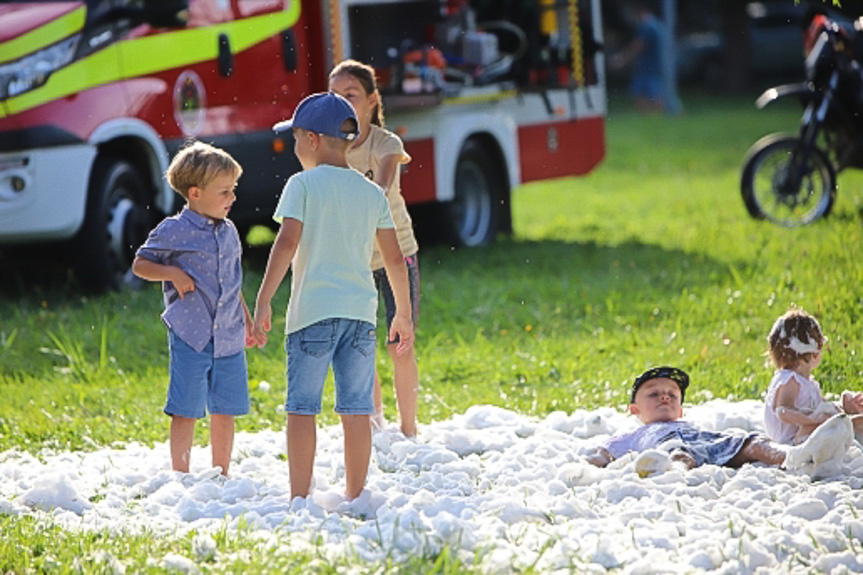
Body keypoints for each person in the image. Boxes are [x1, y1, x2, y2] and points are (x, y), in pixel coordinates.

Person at [252, 92, 415, 501]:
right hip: (361, 316)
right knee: (357, 409)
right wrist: (403, 315)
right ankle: (356, 494)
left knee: (302, 409)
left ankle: (299, 497)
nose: (293, 148)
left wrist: (263, 300)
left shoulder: (301, 185)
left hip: (311, 315)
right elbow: (395, 260)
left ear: (311, 139)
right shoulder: (370, 192)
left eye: (294, 139)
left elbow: (286, 244)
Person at [132, 141, 253, 477]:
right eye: (225, 191)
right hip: (192, 334)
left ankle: (221, 472)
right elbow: (141, 263)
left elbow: (232, 281)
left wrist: (247, 321)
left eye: (233, 190)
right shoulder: (174, 230)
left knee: (225, 408)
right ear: (196, 193)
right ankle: (180, 474)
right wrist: (171, 272)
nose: (232, 198)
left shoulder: (229, 231)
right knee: (186, 408)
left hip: (228, 335)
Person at [328, 59, 421, 437]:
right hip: (354, 259)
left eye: (350, 95)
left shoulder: (386, 144)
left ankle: (410, 428)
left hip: (397, 253)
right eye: (334, 97)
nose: (343, 103)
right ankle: (375, 421)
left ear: (371, 100)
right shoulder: (329, 147)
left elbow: (380, 190)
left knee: (400, 343)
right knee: (359, 344)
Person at [586, 366, 787, 469]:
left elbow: (708, 437)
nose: (664, 396)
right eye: (654, 394)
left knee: (752, 442)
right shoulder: (635, 435)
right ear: (634, 410)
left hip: (706, 442)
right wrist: (592, 463)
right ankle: (677, 471)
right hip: (669, 447)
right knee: (676, 453)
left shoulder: (689, 425)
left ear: (680, 411)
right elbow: (604, 453)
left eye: (672, 395)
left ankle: (793, 457)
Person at [763, 309, 863, 445]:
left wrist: (843, 407)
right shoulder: (790, 380)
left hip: (802, 435)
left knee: (849, 422)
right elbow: (783, 411)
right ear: (816, 352)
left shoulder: (808, 383)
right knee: (850, 424)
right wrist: (812, 419)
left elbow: (822, 408)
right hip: (791, 442)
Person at [610, 2, 665, 112]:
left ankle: (655, 115)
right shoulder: (655, 24)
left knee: (647, 92)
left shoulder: (647, 26)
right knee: (642, 92)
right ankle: (651, 117)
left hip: (649, 66)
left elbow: (638, 46)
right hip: (653, 65)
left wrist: (622, 59)